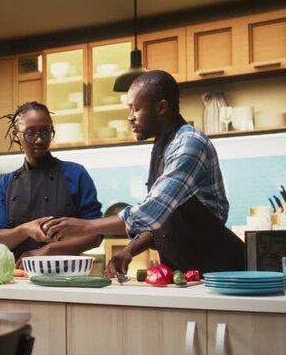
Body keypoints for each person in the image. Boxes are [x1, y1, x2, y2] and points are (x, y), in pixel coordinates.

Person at [41, 70, 245, 276]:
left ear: (161, 107)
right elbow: (166, 218)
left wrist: (85, 226)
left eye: (135, 109)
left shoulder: (189, 144)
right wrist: (129, 251)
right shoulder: (163, 146)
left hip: (222, 271)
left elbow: (151, 212)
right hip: (188, 272)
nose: (130, 117)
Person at [0, 102, 103, 266]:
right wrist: (26, 229)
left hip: (66, 275)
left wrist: (47, 251)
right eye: (30, 133)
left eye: (45, 131)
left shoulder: (76, 174)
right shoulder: (6, 184)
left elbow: (95, 235)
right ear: (16, 135)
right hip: (19, 276)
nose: (40, 139)